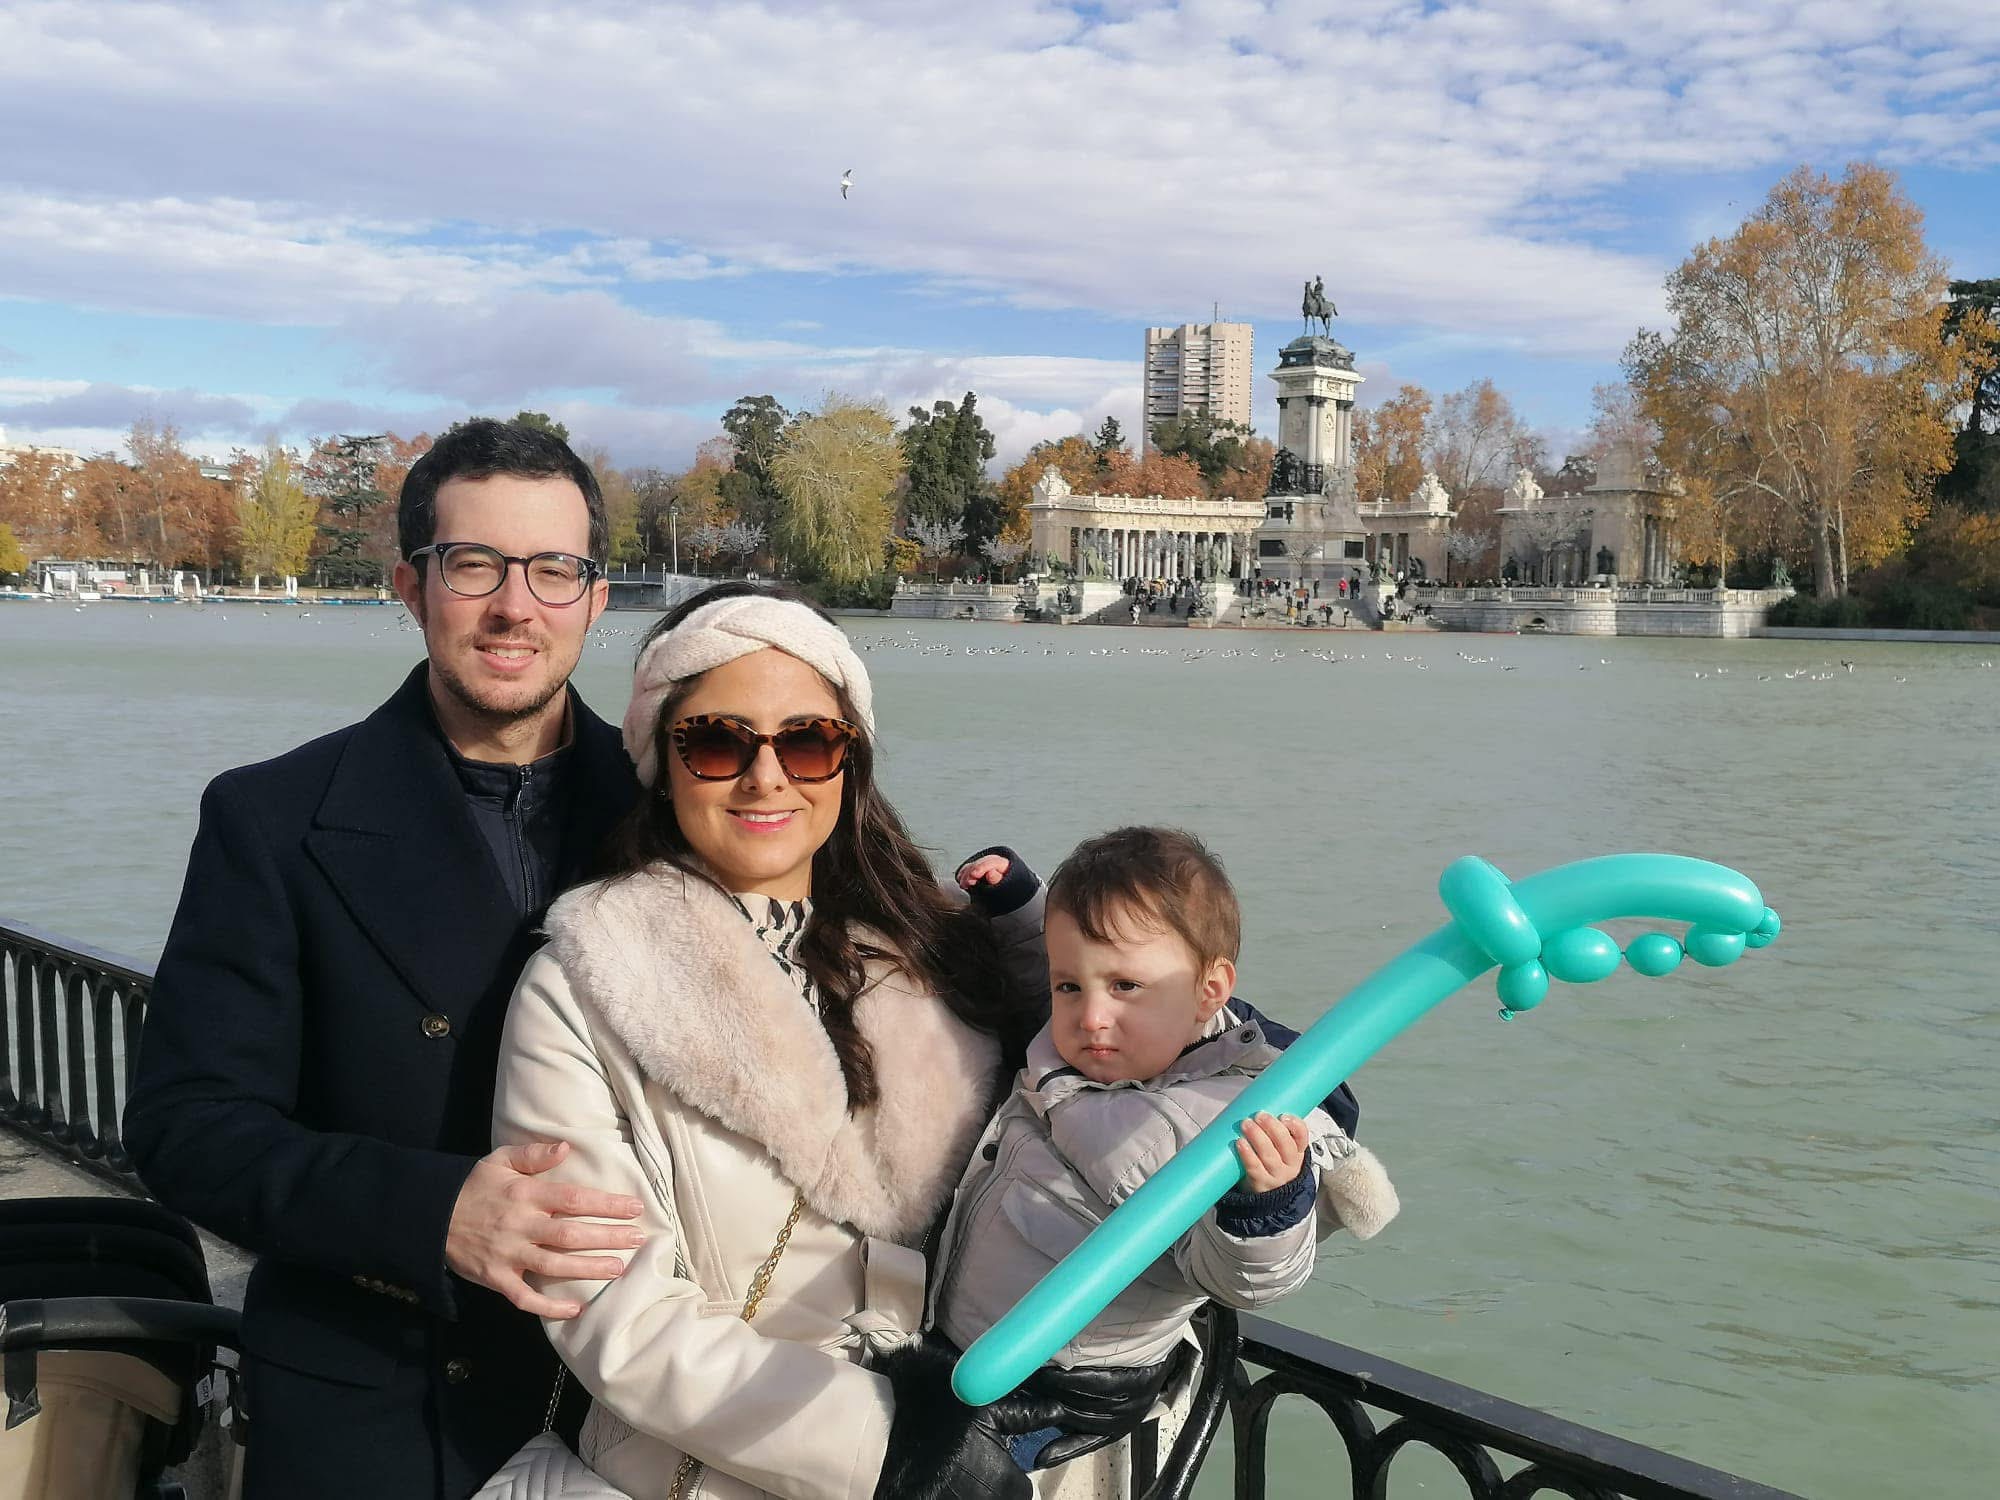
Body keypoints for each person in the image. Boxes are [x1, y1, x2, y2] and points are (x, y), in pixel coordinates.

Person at [124, 418, 646, 1500]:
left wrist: (1006, 911)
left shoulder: (683, 805)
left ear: (596, 599)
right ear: (410, 587)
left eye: (554, 570)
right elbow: (188, 1129)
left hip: (641, 1404)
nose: (515, 607)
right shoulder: (270, 818)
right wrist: (429, 1210)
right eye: (475, 566)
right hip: (382, 1408)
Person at [490, 583, 1054, 1500]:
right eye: (717, 742)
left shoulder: (954, 949)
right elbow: (613, 1313)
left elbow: (1101, 1146)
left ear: (850, 760)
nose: (767, 777)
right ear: (662, 763)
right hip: (709, 1474)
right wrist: (895, 1453)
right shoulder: (582, 978)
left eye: (806, 740)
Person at [933, 828, 1398, 1473]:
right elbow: (1051, 972)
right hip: (971, 1336)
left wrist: (1267, 1203)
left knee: (937, 1474)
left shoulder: (1219, 1125)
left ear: (1210, 991)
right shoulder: (1105, 1036)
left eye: (1125, 987)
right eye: (1072, 986)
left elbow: (1244, 1279)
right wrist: (1017, 904)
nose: (1090, 1014)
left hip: (1069, 1382)